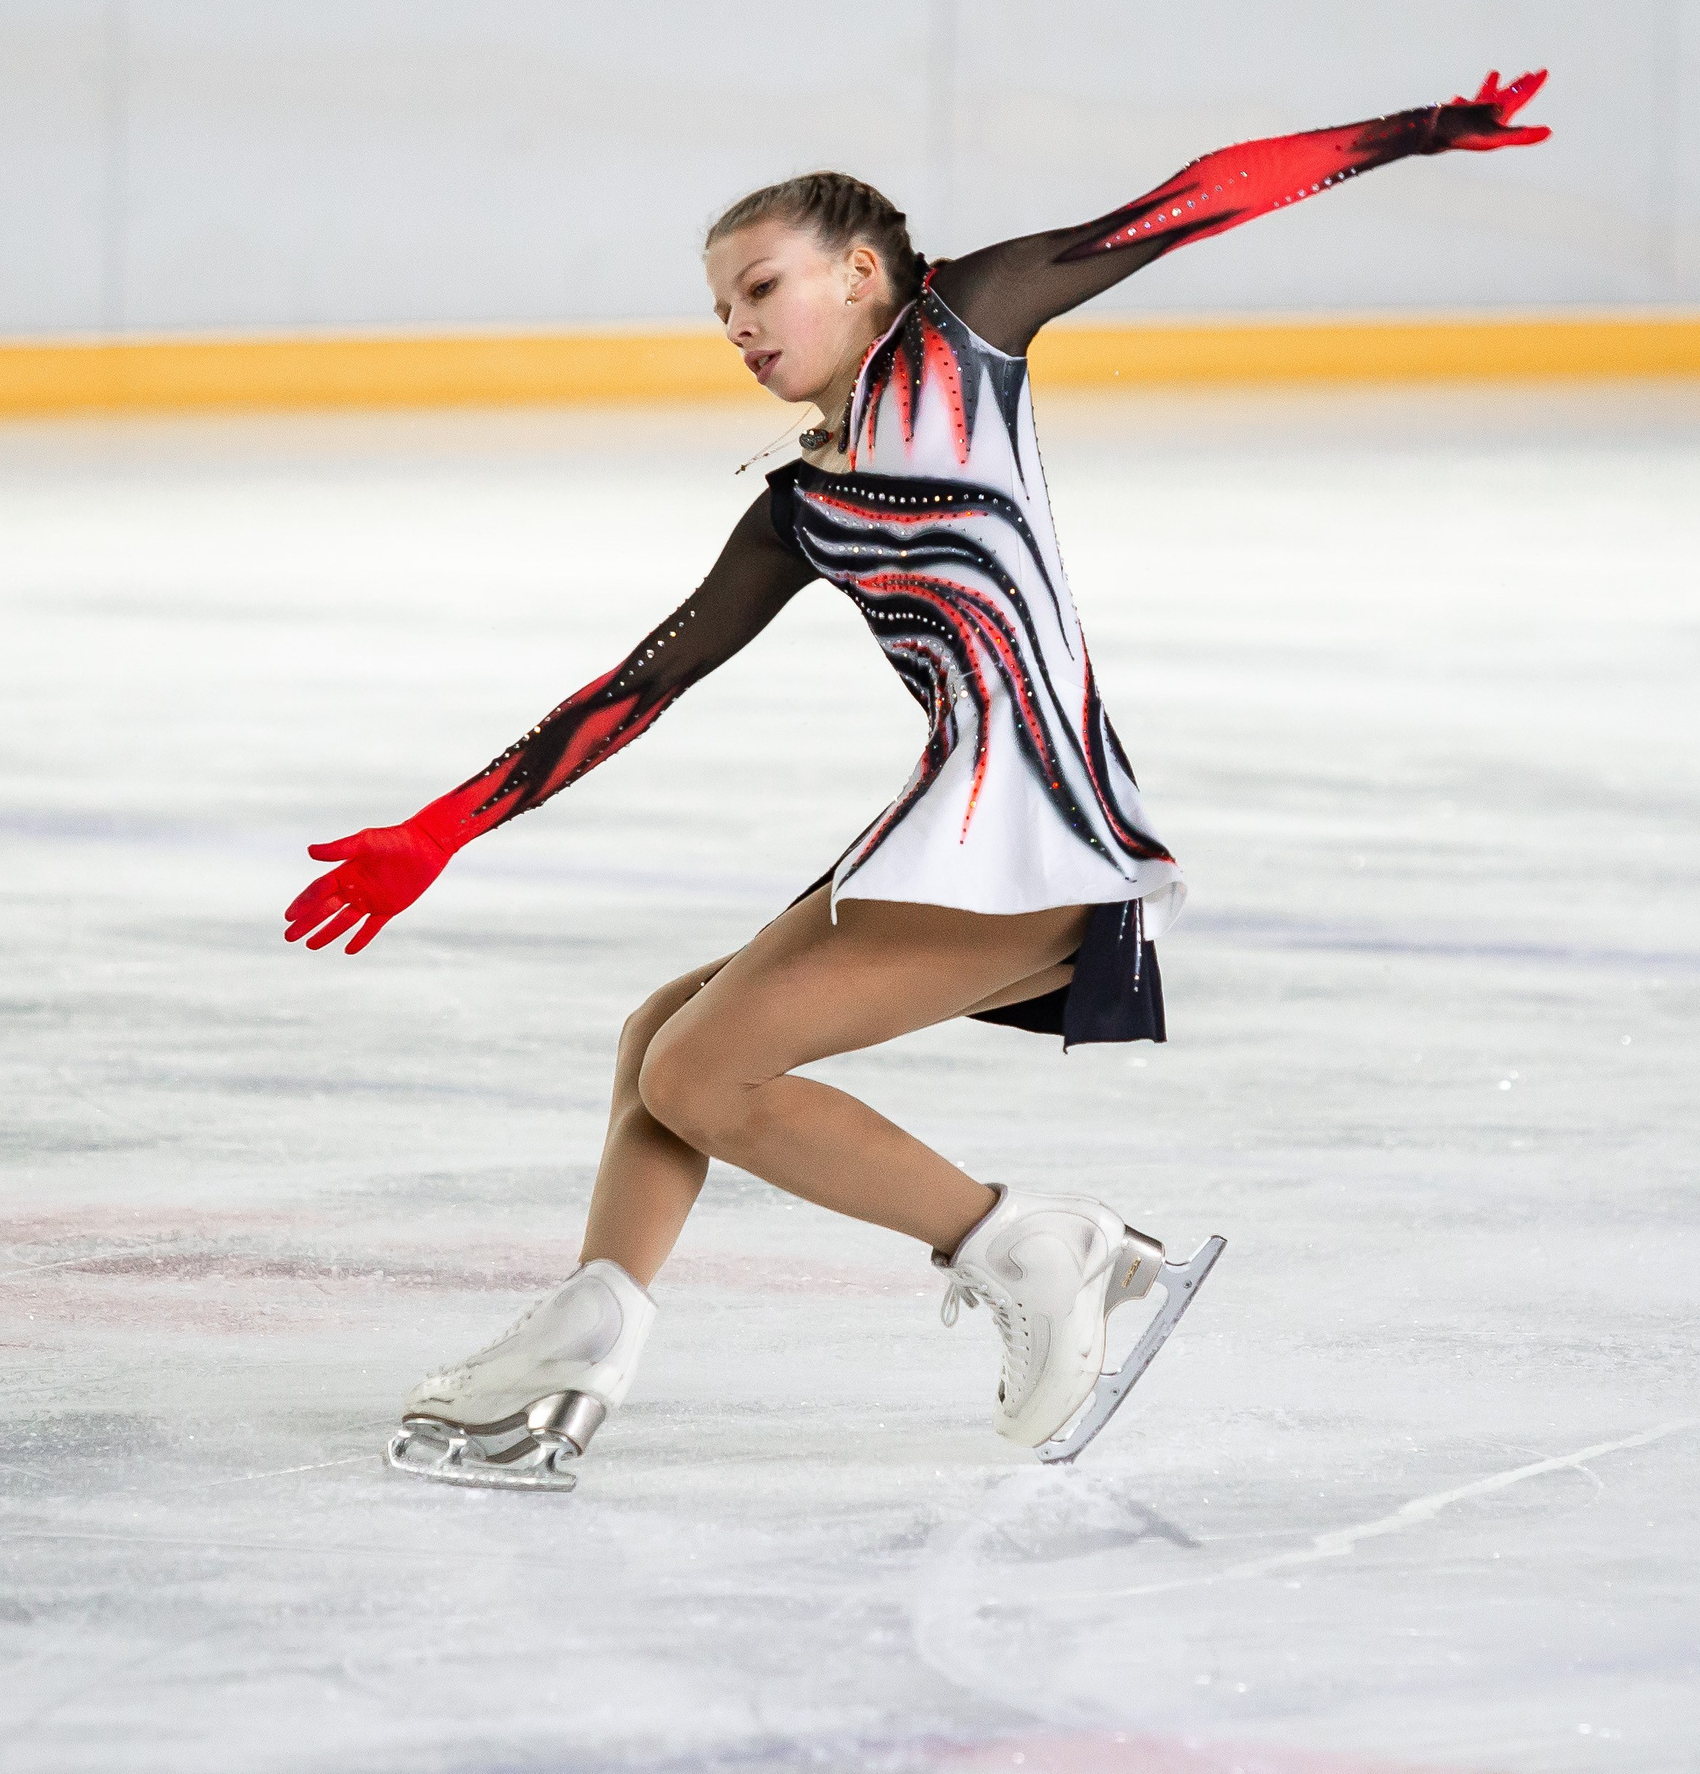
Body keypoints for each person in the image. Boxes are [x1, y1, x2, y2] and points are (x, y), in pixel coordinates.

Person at [286, 72, 1551, 1490]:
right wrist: (442, 830)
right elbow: (642, 683)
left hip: (1041, 825)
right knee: (666, 1033)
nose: (741, 328)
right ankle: (583, 1349)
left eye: (761, 288)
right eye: (721, 311)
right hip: (951, 825)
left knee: (705, 1067)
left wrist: (1414, 133)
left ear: (863, 271)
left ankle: (1033, 1244)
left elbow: (1188, 202)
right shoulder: (802, 503)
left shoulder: (966, 331)